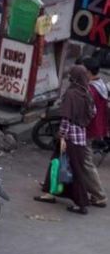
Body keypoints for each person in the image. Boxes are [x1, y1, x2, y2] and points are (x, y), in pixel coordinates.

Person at [34, 65, 96, 215]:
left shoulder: (72, 94)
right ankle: (49, 192)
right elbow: (93, 112)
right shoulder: (86, 92)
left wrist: (61, 136)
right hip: (80, 136)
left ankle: (81, 204)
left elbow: (66, 119)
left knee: (74, 170)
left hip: (69, 138)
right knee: (55, 163)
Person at [82, 57, 108, 208]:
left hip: (86, 130)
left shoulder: (91, 90)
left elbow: (89, 112)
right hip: (94, 128)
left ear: (88, 72)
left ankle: (99, 195)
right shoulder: (100, 86)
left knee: (86, 162)